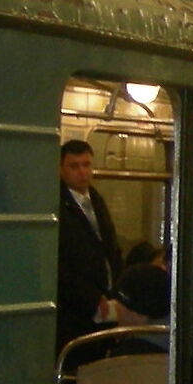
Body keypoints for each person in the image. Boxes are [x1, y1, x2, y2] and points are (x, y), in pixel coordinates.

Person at [56, 137, 120, 357]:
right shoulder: (58, 206)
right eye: (74, 166)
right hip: (75, 311)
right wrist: (91, 297)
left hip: (107, 301)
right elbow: (59, 263)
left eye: (86, 165)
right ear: (61, 169)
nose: (82, 172)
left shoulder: (96, 200)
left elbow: (111, 248)